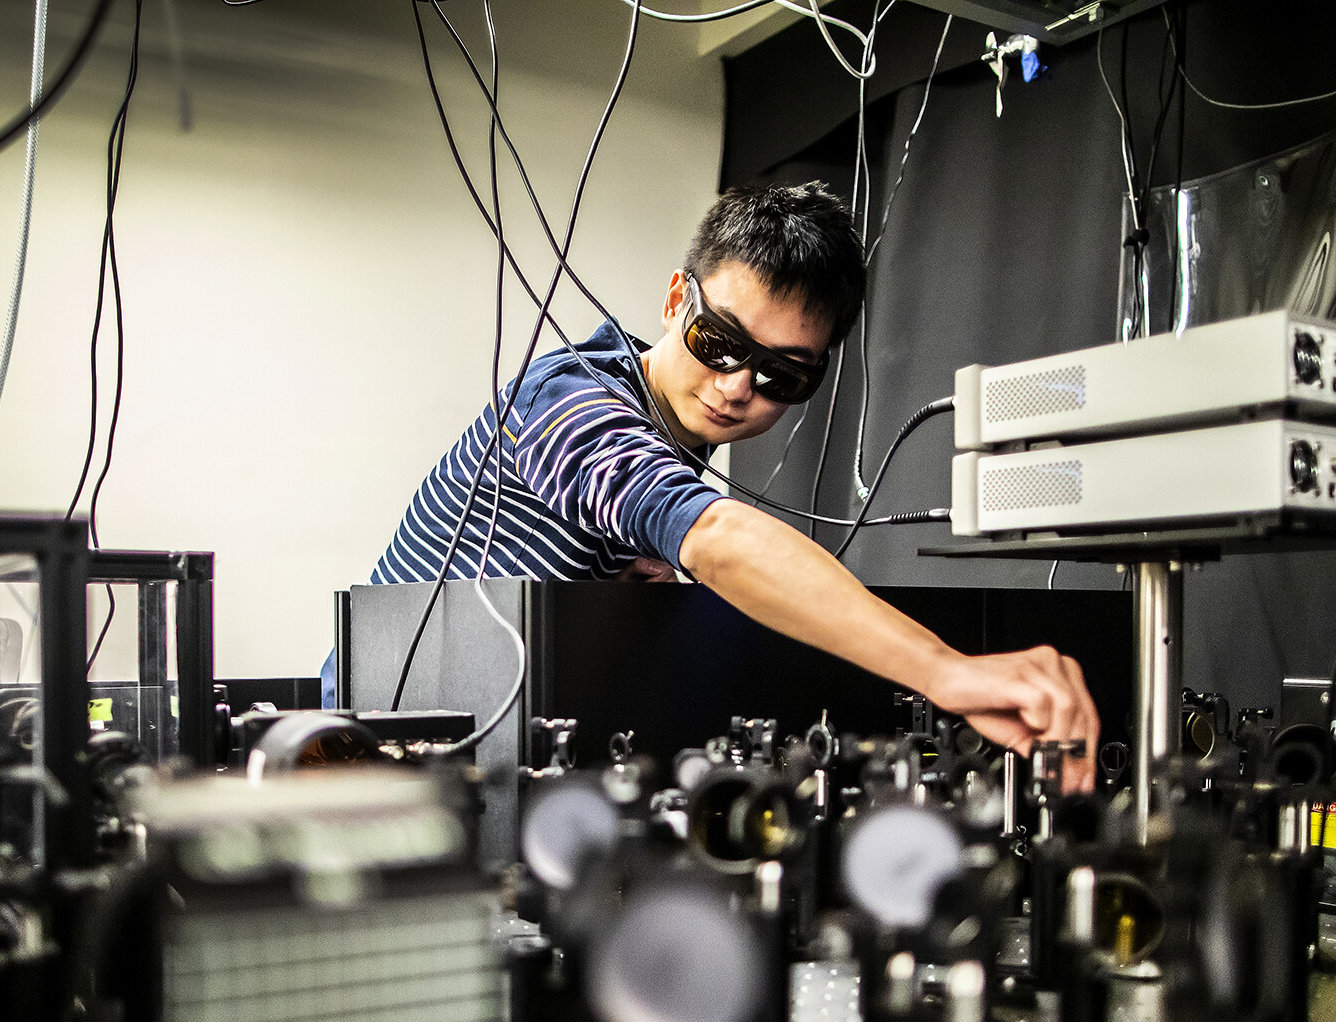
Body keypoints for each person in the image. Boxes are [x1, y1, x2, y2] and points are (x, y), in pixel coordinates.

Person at [336, 182, 1099, 792]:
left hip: (487, 755)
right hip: (363, 756)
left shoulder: (665, 435)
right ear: (676, 300)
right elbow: (716, 537)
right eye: (719, 342)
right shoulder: (566, 400)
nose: (738, 387)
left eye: (782, 375)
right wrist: (948, 673)